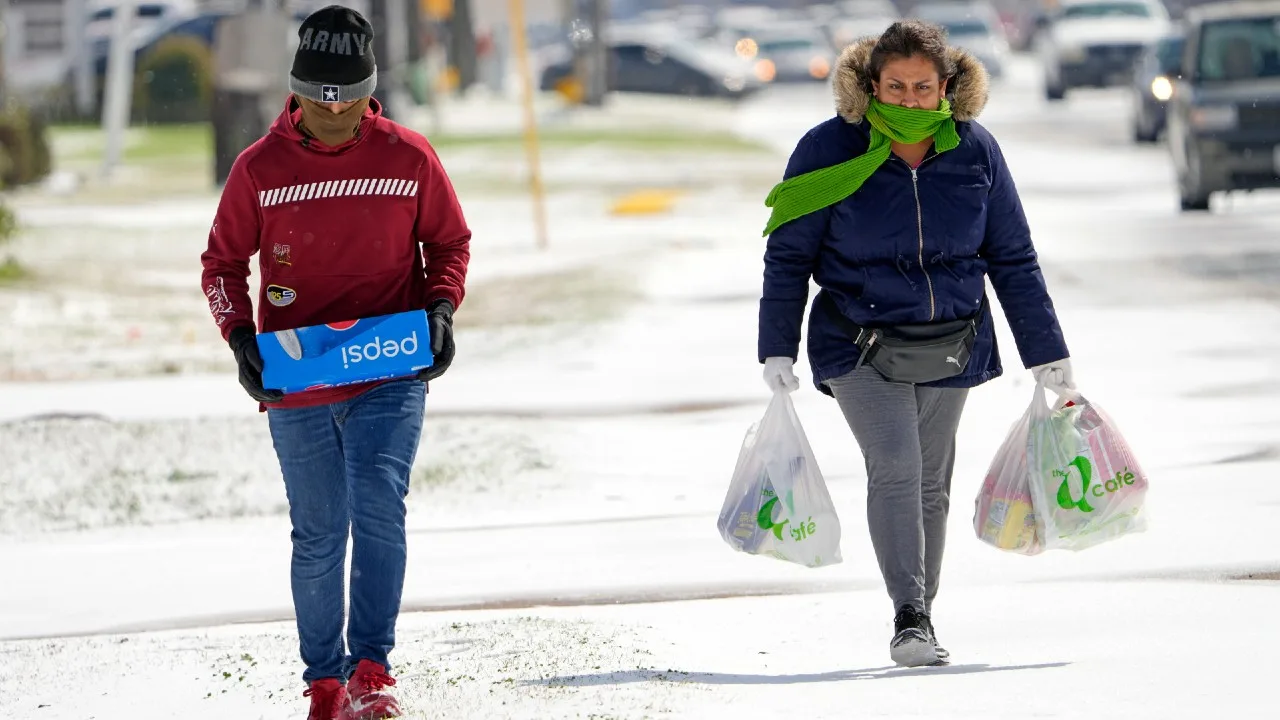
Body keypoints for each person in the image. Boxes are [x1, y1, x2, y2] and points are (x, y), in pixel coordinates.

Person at [757, 21, 1073, 668]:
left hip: (950, 341)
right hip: (857, 339)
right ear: (871, 85)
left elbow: (1011, 255)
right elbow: (789, 255)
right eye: (894, 87)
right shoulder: (830, 150)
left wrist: (1048, 351)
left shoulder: (975, 151)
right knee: (896, 467)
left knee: (931, 484)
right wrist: (777, 346)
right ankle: (909, 616)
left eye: (922, 88)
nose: (907, 100)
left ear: (946, 86)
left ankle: (921, 613)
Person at [199, 5, 471, 718]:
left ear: (369, 88)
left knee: (380, 505)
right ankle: (323, 680)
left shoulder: (409, 158)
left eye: (350, 99)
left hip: (389, 364)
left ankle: (371, 669)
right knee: (319, 529)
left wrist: (441, 308)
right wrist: (238, 338)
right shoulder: (258, 169)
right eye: (323, 101)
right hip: (298, 373)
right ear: (297, 92)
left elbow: (449, 244)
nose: (337, 113)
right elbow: (223, 264)